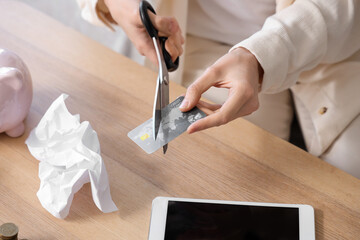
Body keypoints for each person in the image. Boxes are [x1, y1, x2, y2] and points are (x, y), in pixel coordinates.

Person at [76, 0, 360, 178]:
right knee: (179, 173)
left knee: (347, 174)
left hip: (321, 49)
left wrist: (260, 56)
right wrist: (113, 3)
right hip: (187, 38)